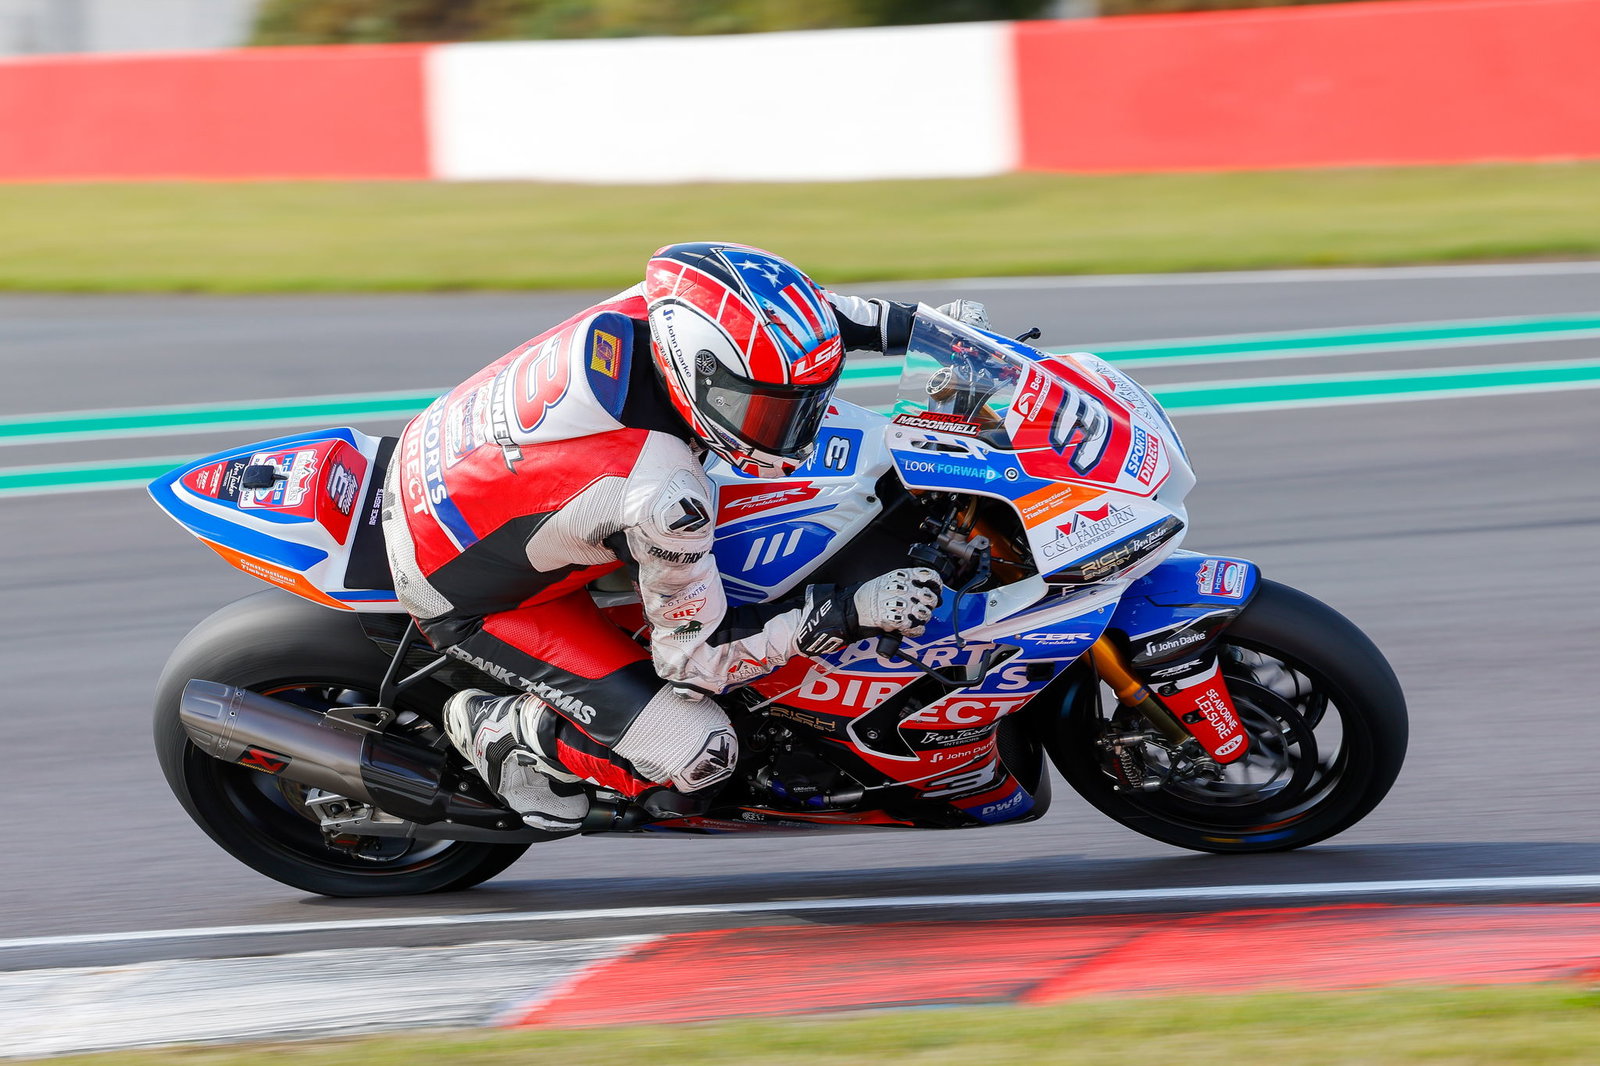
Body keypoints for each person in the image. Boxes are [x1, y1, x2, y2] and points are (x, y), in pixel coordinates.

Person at [382, 241, 985, 832]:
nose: (792, 435)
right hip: (460, 585)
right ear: (699, 374)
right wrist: (847, 611)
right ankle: (507, 730)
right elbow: (695, 661)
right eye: (767, 412)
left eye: (805, 406)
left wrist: (942, 335)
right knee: (703, 755)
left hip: (455, 466)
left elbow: (808, 319)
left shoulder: (675, 307)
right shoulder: (664, 493)